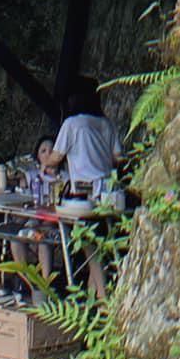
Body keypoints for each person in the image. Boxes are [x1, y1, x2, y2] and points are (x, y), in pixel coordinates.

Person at [54, 81, 123, 298]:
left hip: (82, 197)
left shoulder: (72, 124)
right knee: (101, 245)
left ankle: (103, 300)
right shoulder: (106, 123)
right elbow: (119, 158)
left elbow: (55, 157)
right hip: (108, 194)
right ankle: (96, 302)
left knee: (91, 249)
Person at [10, 133, 65, 284]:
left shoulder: (65, 177)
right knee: (16, 240)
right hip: (32, 223)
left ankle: (45, 285)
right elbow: (12, 170)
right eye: (43, 151)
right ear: (37, 156)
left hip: (55, 225)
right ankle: (28, 282)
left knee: (43, 238)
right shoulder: (31, 176)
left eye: (51, 151)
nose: (48, 154)